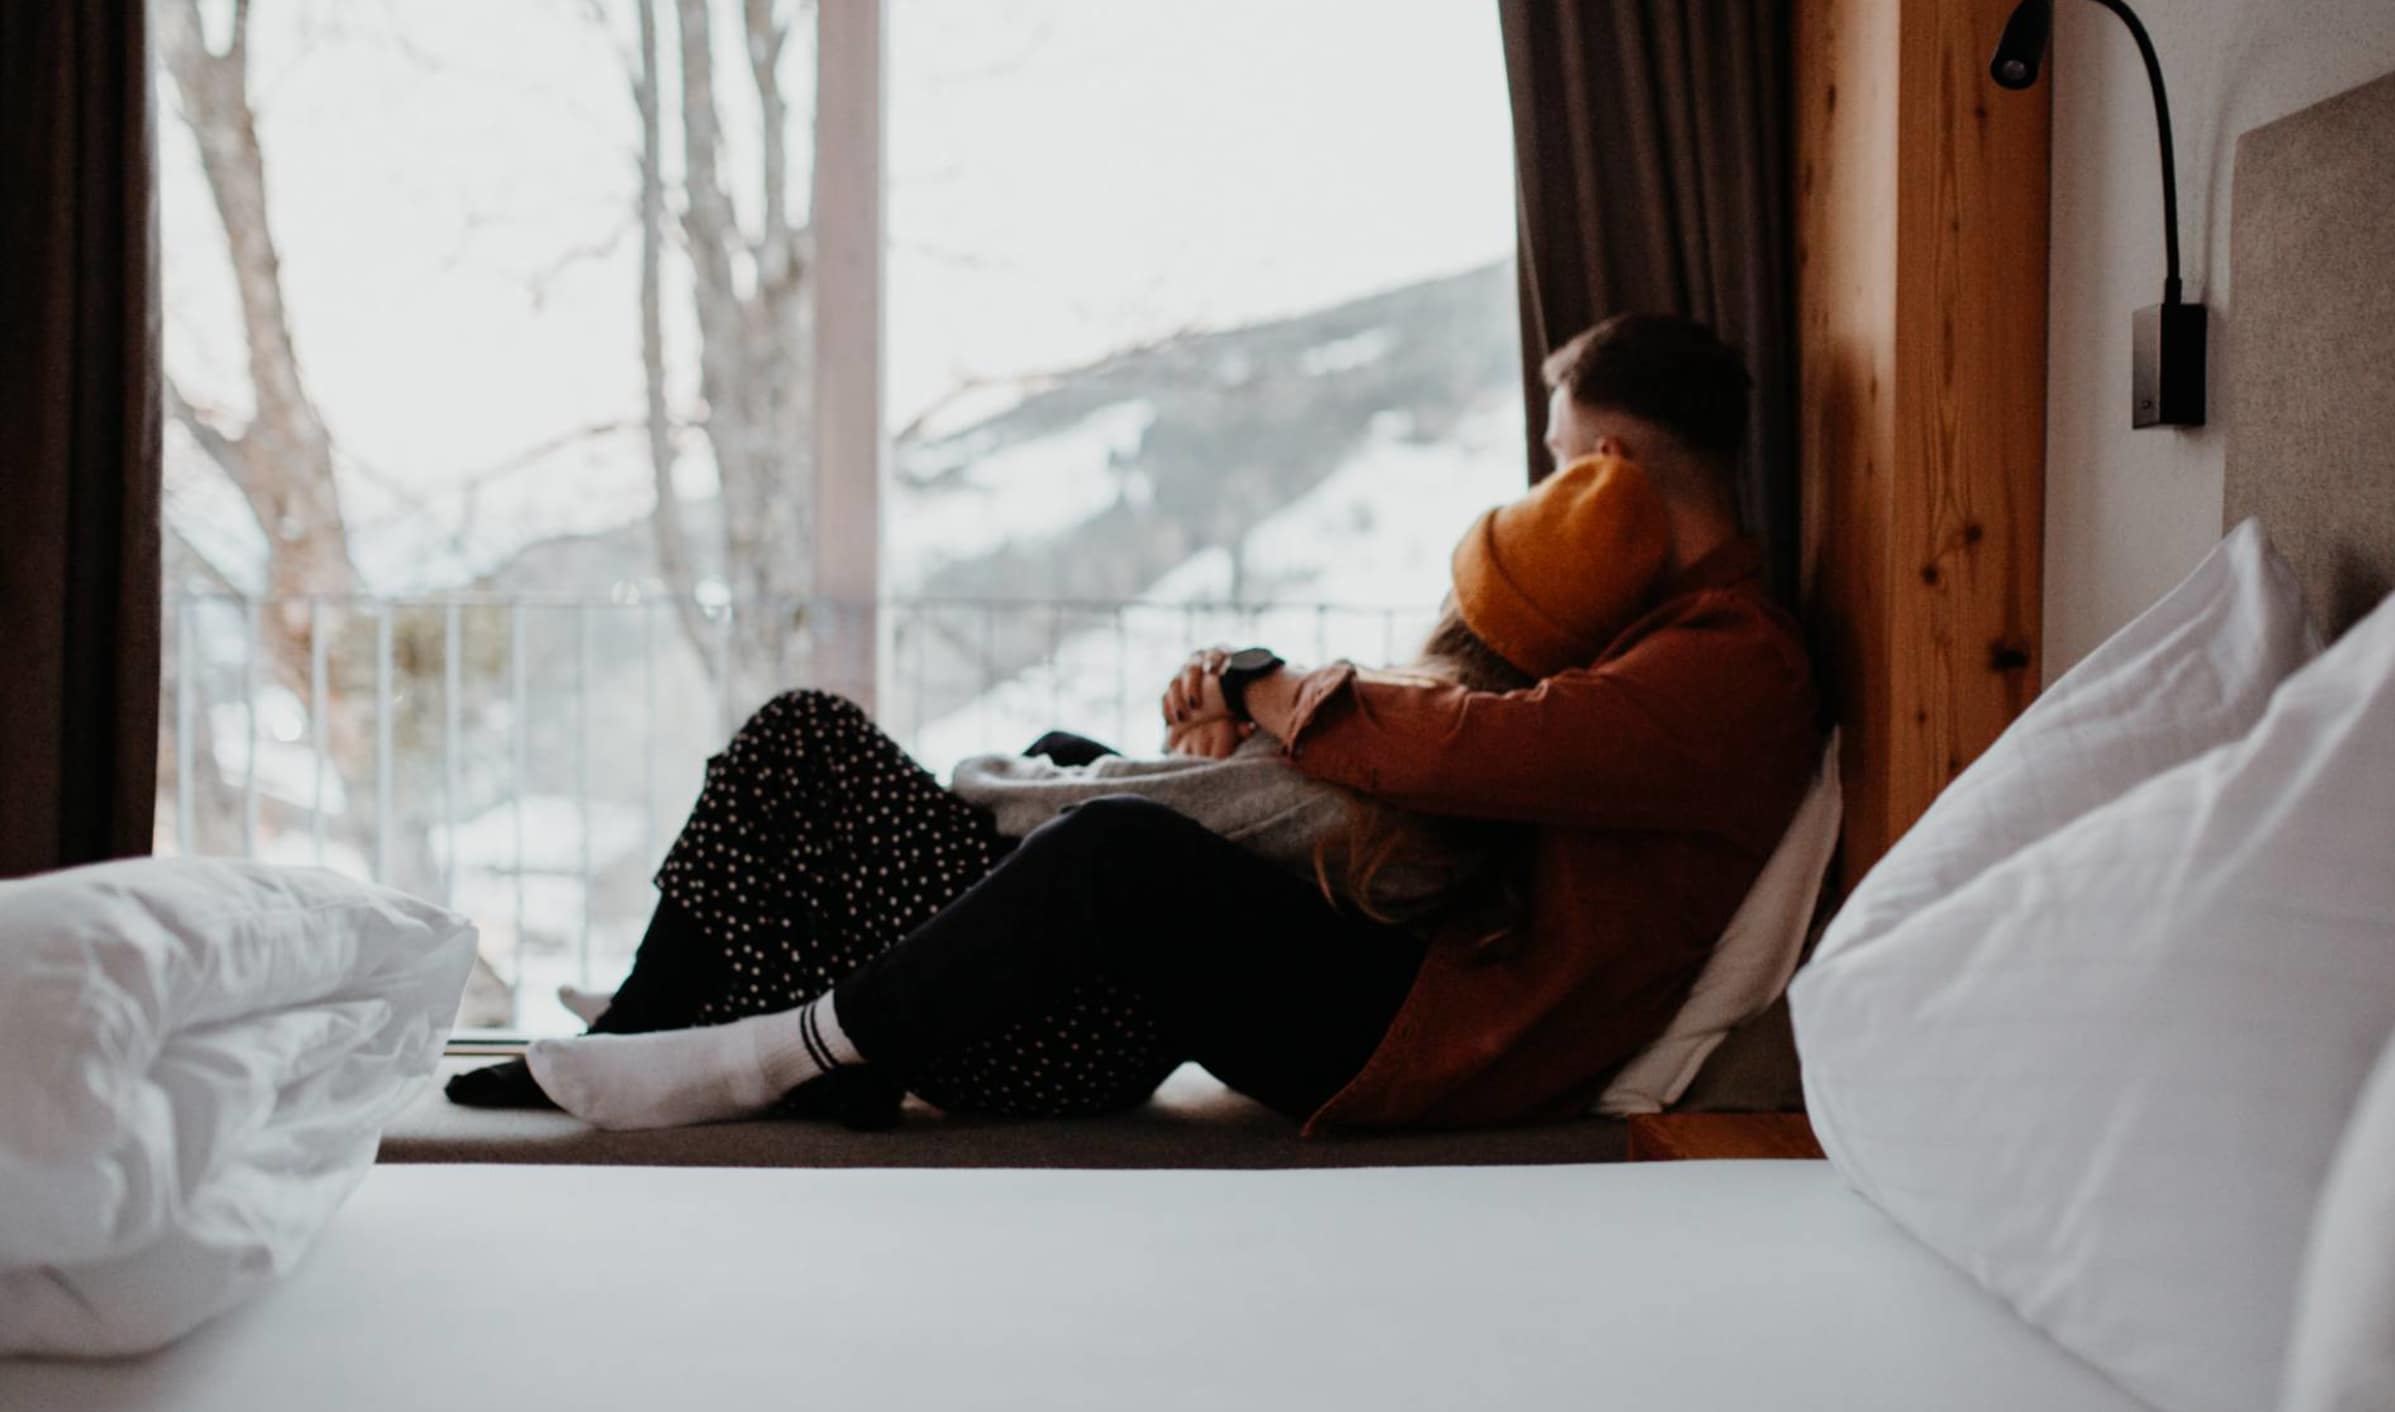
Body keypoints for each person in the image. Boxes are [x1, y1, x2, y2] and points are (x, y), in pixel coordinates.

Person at [463, 312, 1815, 1133]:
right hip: (1396, 975)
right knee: (1022, 761)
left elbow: (1472, 755)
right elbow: (1435, 789)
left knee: (1111, 845)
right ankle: (669, 1030)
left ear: (1606, 469)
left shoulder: (1728, 670)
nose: (1547, 488)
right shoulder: (1654, 645)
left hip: (1434, 1040)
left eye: (1557, 461)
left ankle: (774, 1047)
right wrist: (1239, 753)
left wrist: (1267, 685)